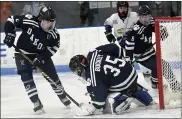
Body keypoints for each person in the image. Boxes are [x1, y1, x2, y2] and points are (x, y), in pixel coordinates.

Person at [3, 6, 71, 114]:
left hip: (40, 54)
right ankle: (36, 102)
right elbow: (11, 20)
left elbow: (54, 47)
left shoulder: (54, 35)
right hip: (22, 53)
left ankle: (62, 95)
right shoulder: (30, 21)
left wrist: (42, 58)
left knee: (52, 76)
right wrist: (10, 33)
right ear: (40, 19)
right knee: (25, 76)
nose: (49, 25)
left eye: (51, 22)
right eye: (46, 22)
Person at [69, 43, 153, 116]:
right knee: (112, 80)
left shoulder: (92, 77)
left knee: (106, 101)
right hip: (131, 71)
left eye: (77, 72)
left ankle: (121, 99)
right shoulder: (94, 52)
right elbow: (114, 47)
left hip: (123, 83)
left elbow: (99, 104)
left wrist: (91, 106)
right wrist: (124, 57)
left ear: (81, 69)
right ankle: (140, 93)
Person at [122, 5, 180, 90]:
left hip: (151, 52)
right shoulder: (135, 29)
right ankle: (174, 85)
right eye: (143, 17)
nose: (146, 19)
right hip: (142, 56)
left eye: (148, 16)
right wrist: (128, 60)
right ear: (139, 17)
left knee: (156, 67)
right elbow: (129, 45)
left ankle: (155, 83)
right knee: (164, 65)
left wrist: (162, 31)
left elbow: (157, 30)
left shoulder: (151, 21)